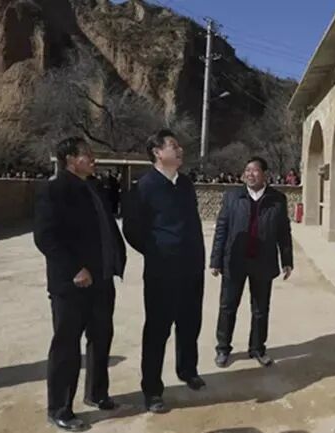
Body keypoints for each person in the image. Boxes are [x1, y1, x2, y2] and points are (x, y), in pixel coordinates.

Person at [33, 137, 126, 432]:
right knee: (67, 345)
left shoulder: (94, 187)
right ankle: (60, 408)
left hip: (102, 279)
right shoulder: (55, 190)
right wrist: (74, 268)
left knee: (101, 337)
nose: (93, 158)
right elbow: (45, 236)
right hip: (72, 284)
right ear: (71, 159)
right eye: (87, 154)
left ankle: (96, 393)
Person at [123, 129, 206, 414]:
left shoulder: (185, 184)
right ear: (157, 152)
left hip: (191, 268)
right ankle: (152, 390)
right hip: (162, 271)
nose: (180, 149)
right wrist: (157, 251)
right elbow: (132, 229)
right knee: (158, 330)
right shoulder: (144, 187)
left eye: (179, 145)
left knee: (190, 324)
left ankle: (188, 370)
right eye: (173, 145)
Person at [210, 156, 293, 368]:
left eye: (255, 170)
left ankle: (257, 348)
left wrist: (287, 260)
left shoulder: (277, 199)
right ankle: (223, 348)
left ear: (265, 174)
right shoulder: (233, 197)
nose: (250, 174)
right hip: (234, 261)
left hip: (263, 262)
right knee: (228, 306)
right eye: (247, 170)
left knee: (260, 309)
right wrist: (216, 259)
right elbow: (222, 229)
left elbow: (284, 232)